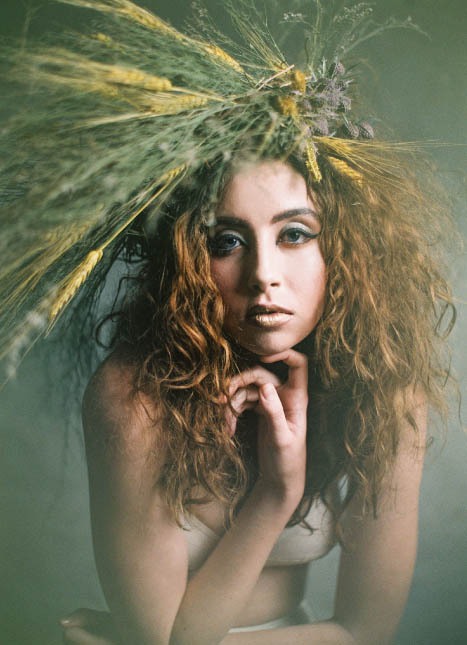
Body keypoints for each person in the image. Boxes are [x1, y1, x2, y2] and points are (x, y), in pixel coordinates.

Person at [0, 1, 455, 643]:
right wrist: (274, 495)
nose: (264, 274)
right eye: (226, 242)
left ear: (342, 250)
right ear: (187, 260)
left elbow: (365, 629)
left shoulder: (387, 394)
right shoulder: (134, 399)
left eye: (295, 234)